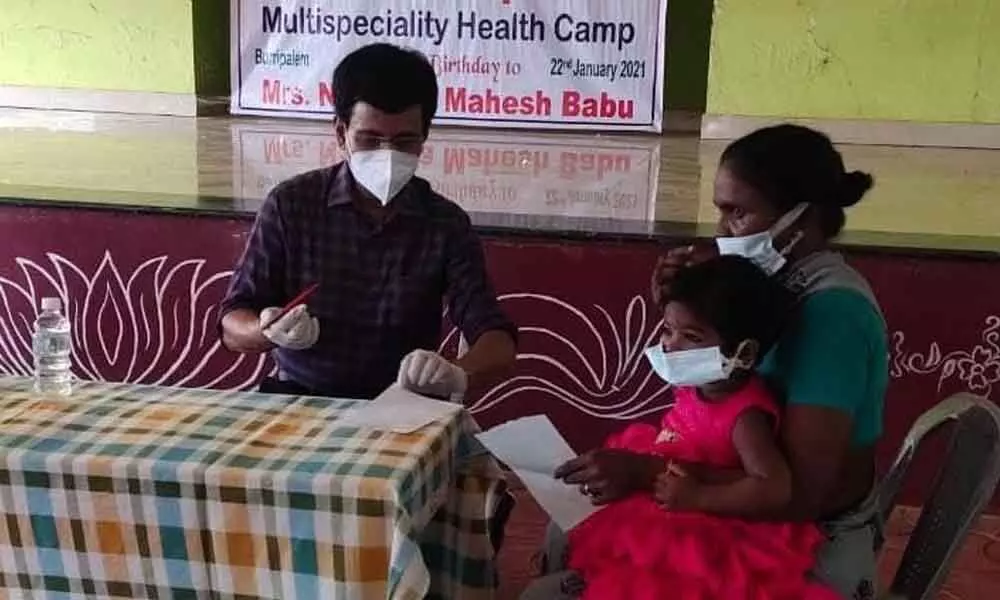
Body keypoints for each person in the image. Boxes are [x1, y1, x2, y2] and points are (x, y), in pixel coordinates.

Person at [526, 124, 887, 600]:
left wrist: (645, 474)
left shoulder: (830, 315)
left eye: (737, 214)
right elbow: (716, 398)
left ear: (801, 219)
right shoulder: (770, 286)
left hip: (811, 531)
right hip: (739, 494)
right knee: (571, 524)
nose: (721, 233)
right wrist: (688, 307)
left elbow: (800, 494)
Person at [219, 43, 517, 400]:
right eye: (369, 139)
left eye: (405, 141)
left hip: (402, 402)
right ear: (341, 133)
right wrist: (267, 331)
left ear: (425, 137)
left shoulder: (445, 224)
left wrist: (459, 374)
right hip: (301, 396)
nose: (387, 155)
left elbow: (496, 338)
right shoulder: (292, 205)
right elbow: (232, 324)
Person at [557, 255, 837, 599]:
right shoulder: (700, 383)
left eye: (690, 337)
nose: (670, 345)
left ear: (745, 353)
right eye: (667, 330)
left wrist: (700, 497)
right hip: (669, 480)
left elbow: (774, 486)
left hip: (706, 517)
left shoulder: (745, 416)